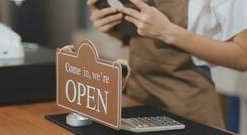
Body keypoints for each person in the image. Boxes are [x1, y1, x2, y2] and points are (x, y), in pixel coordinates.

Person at [87, 0, 247, 128]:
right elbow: (141, 43)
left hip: (188, 113)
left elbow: (242, 57)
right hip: (136, 103)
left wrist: (167, 31)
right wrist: (109, 25)